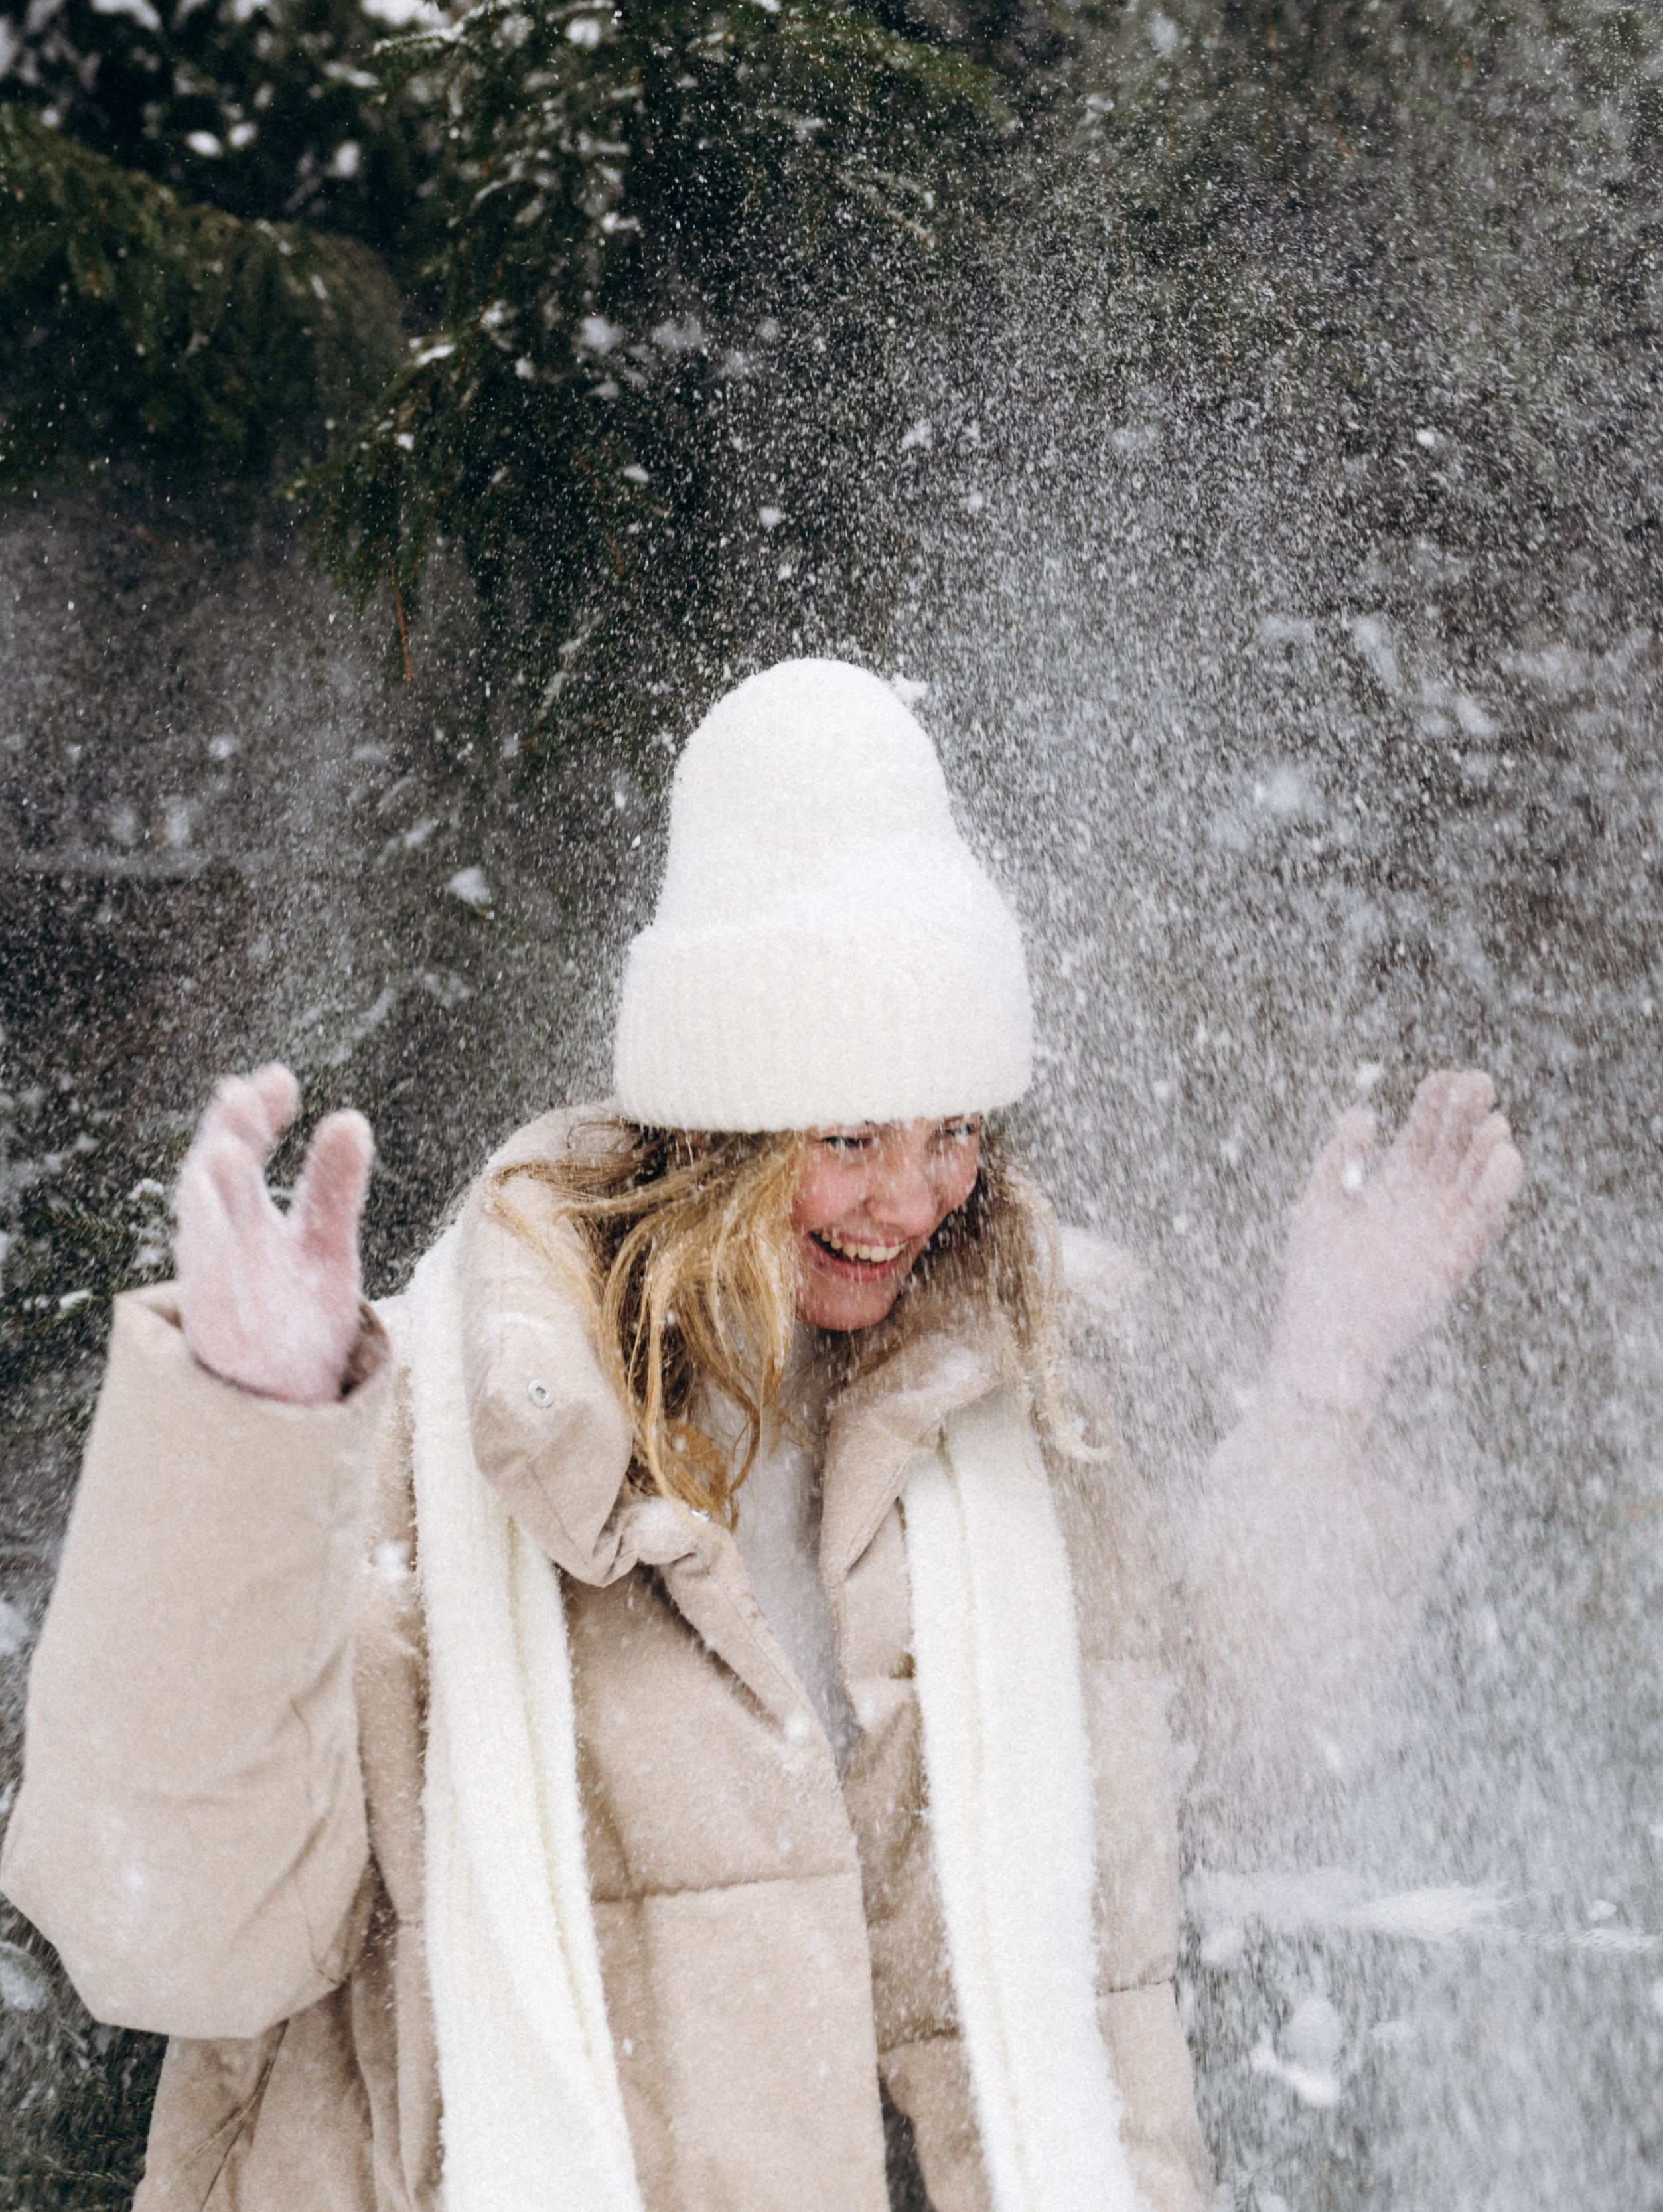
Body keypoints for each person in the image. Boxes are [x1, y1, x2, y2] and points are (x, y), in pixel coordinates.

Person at [0, 660, 1523, 2212]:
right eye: (848, 1134)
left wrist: (1324, 1376)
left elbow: (1218, 1766)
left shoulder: (1004, 1419)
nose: (910, 1195)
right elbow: (170, 1932)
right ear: (716, 1130)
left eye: (952, 1130)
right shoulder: (454, 1437)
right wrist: (246, 1436)